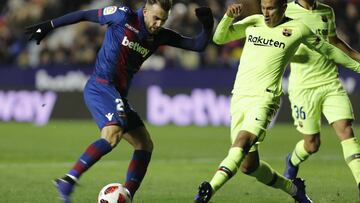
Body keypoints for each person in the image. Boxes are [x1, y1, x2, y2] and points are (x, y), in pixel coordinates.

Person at [25, 1, 214, 202]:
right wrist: (49, 25)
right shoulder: (122, 16)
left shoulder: (160, 36)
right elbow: (84, 15)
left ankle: (127, 195)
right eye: (156, 18)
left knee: (144, 144)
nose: (158, 24)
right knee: (112, 135)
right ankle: (68, 180)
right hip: (100, 86)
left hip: (118, 95)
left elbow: (198, 44)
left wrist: (207, 25)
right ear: (146, 10)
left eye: (163, 20)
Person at [194, 0, 360, 202]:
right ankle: (293, 190)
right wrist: (228, 17)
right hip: (239, 97)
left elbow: (331, 50)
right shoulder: (254, 22)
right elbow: (220, 38)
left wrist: (358, 67)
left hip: (266, 97)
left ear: (283, 7)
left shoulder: (298, 29)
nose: (265, 13)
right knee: (249, 166)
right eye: (263, 8)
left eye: (270, 8)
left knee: (242, 141)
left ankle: (207, 191)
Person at [283, 0, 360, 196]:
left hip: (330, 82)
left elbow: (334, 42)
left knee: (346, 130)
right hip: (303, 88)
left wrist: (356, 56)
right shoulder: (286, 11)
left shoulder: (327, 12)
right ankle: (292, 160)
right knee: (312, 144)